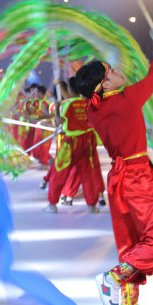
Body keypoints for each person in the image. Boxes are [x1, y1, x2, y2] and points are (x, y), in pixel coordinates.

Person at [74, 26, 153, 305]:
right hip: (138, 176)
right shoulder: (125, 99)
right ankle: (112, 279)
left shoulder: (93, 109)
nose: (117, 71)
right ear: (103, 85)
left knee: (132, 243)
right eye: (110, 71)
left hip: (118, 178)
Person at [44, 77, 102, 213]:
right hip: (87, 142)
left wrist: (57, 108)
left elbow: (59, 121)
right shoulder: (87, 102)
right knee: (88, 174)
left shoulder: (68, 104)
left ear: (70, 89)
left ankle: (52, 204)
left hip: (71, 143)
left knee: (60, 172)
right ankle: (92, 206)